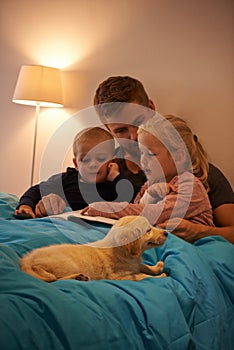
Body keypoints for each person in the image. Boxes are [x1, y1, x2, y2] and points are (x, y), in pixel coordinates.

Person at [93, 76, 234, 243]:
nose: (133, 136)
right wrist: (54, 198)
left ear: (152, 108)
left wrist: (200, 232)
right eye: (121, 130)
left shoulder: (196, 173)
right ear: (108, 130)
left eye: (138, 121)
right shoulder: (105, 168)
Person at [82, 114, 214, 228]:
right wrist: (149, 195)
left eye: (150, 154)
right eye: (141, 153)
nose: (143, 160)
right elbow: (136, 208)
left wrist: (104, 208)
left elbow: (153, 213)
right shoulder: (150, 184)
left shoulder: (190, 186)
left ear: (178, 157)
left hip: (194, 247)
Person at [15, 127, 128, 218]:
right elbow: (36, 190)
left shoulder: (116, 183)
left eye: (100, 158)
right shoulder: (66, 179)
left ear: (112, 162)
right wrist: (26, 206)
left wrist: (115, 176)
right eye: (85, 160)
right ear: (76, 164)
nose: (92, 164)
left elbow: (131, 201)